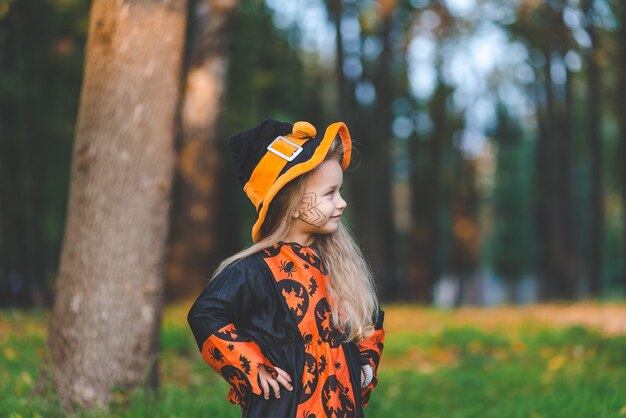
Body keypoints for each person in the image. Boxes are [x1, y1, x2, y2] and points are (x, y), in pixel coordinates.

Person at [187, 119, 385, 418]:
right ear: (291, 204)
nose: (342, 203)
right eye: (330, 193)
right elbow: (206, 313)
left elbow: (371, 318)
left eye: (339, 191)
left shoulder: (337, 266)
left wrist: (365, 369)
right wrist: (251, 366)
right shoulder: (254, 270)